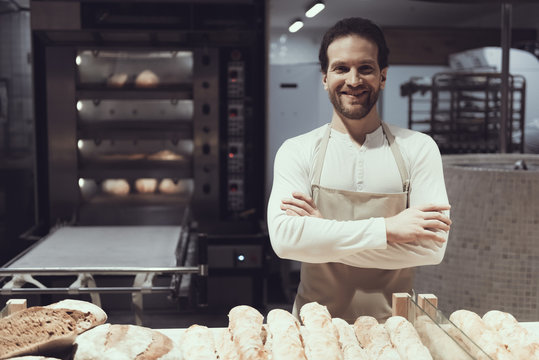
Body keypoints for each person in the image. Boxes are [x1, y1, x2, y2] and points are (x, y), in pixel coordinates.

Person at [266, 17, 451, 323]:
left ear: (383, 76)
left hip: (396, 329)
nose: (353, 80)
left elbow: (432, 249)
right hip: (314, 328)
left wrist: (321, 238)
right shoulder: (297, 150)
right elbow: (286, 240)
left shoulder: (419, 148)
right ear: (325, 77)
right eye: (341, 68)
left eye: (365, 68)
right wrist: (388, 230)